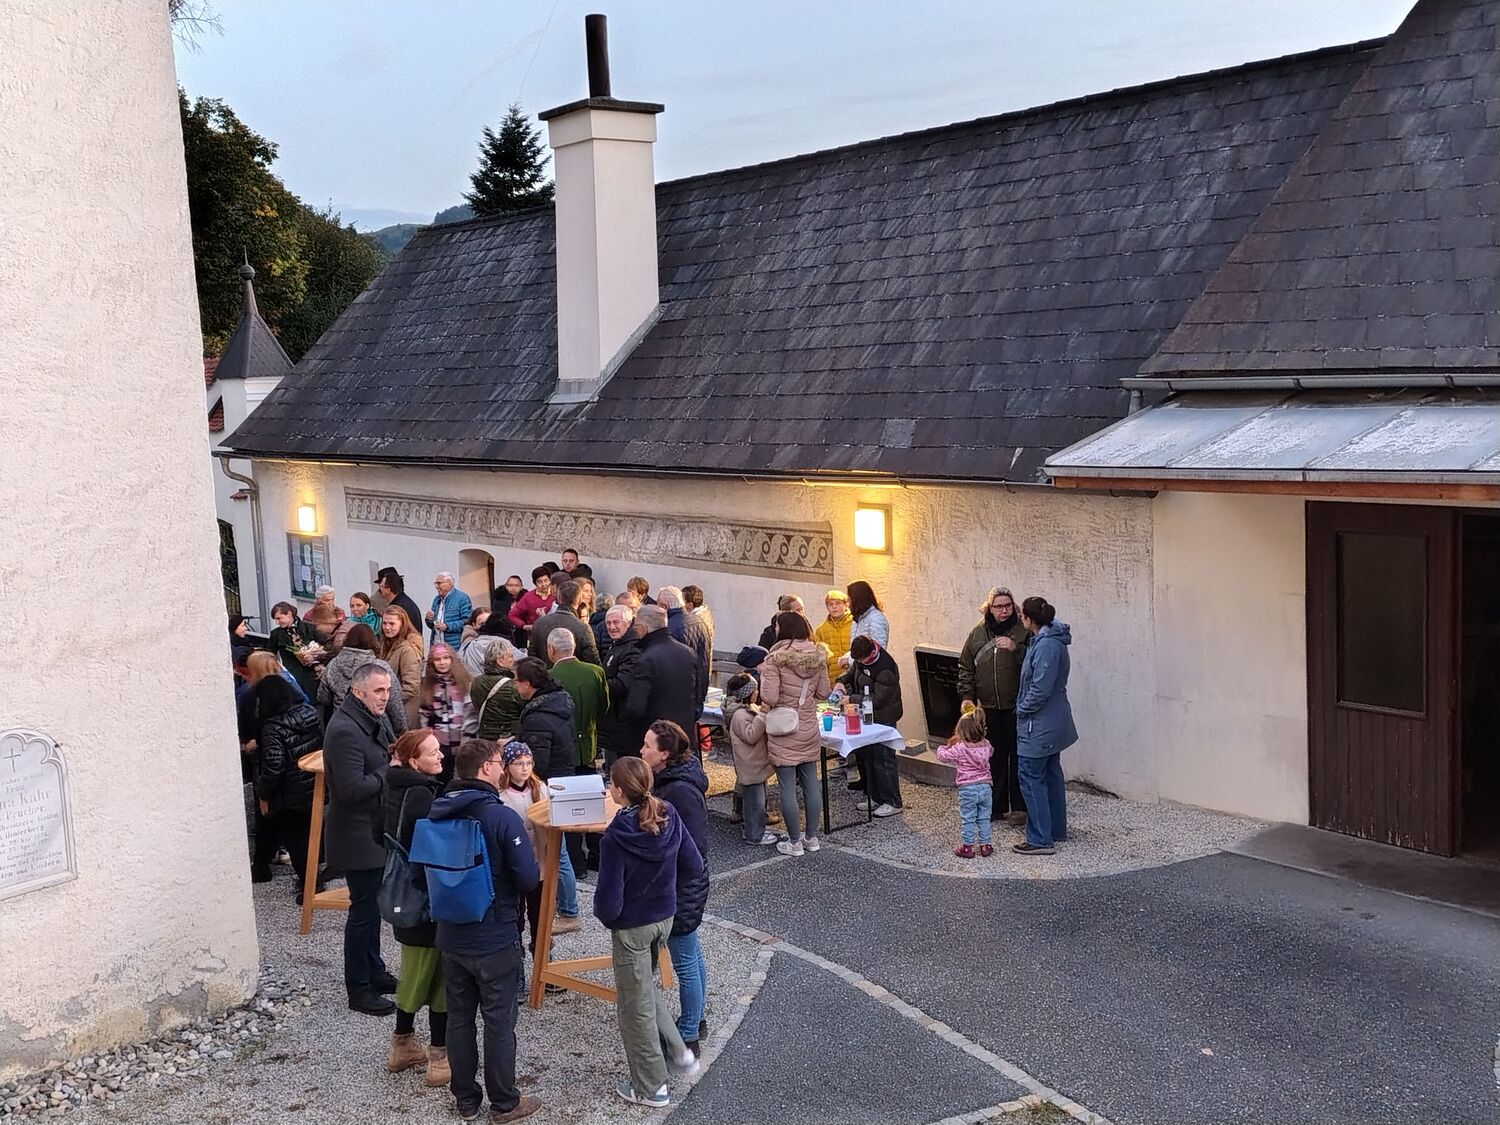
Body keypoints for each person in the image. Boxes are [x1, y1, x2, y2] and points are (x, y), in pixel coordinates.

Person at [426, 739, 543, 1122]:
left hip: (450, 934)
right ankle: (505, 1102)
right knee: (498, 1021)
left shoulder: (438, 811)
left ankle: (465, 1099)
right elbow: (528, 878)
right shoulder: (500, 817)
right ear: (485, 768)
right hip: (494, 936)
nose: (502, 767)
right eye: (497, 761)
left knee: (459, 1018)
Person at [593, 757, 702, 1108]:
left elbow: (608, 900)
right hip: (664, 919)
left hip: (633, 927)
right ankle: (679, 1050)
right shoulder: (668, 814)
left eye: (610, 783)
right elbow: (693, 865)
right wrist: (664, 894)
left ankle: (650, 1086)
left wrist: (611, 918)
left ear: (619, 791)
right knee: (644, 989)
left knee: (634, 1007)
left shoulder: (615, 838)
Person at [323, 663, 397, 1016]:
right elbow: (351, 789)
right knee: (362, 913)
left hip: (372, 829)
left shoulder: (369, 719)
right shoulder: (344, 730)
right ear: (358, 691)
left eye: (388, 690)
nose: (385, 697)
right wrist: (388, 771)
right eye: (379, 691)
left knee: (371, 907)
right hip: (356, 834)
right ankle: (359, 987)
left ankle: (375, 971)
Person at [382, 730, 450, 1086]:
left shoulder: (393, 786)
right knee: (437, 977)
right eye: (432, 752)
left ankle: (403, 1044)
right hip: (425, 894)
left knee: (413, 971)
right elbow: (433, 847)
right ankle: (439, 1057)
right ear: (414, 761)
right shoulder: (422, 795)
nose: (441, 756)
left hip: (403, 894)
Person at [641, 721, 711, 1057]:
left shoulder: (679, 791)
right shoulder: (672, 781)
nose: (642, 750)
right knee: (691, 953)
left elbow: (691, 846)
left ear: (665, 754)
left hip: (681, 886)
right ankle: (696, 1020)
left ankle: (688, 1035)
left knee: (684, 960)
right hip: (684, 883)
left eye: (648, 746)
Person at [514, 657, 582, 934]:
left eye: (517, 680)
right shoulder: (559, 701)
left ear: (528, 684)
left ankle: (569, 912)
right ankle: (565, 908)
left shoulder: (537, 716)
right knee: (558, 849)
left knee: (557, 851)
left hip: (549, 786)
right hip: (563, 779)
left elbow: (536, 762)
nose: (515, 686)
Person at [761, 611, 832, 857]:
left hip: (785, 727)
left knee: (787, 786)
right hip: (808, 725)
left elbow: (769, 697)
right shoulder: (818, 655)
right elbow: (824, 692)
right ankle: (812, 838)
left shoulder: (775, 659)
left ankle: (794, 842)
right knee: (811, 782)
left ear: (784, 630)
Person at [957, 586, 1030, 825]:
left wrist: (1015, 648)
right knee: (993, 758)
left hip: (1016, 706)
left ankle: (1019, 807)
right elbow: (966, 666)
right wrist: (967, 696)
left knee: (1019, 757)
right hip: (988, 706)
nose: (1004, 611)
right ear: (990, 608)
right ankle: (996, 807)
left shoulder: (1023, 630)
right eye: (998, 606)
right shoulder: (977, 633)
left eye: (1008, 605)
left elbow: (1034, 663)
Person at [1014, 597, 1077, 856]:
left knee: (1030, 776)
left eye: (1022, 615)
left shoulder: (1047, 646)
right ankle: (1055, 829)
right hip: (1052, 721)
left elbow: (1040, 688)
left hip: (1039, 724)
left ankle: (1040, 838)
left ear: (1029, 620)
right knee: (1050, 774)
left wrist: (1021, 709)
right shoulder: (1050, 640)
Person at [249, 674, 319, 893]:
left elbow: (274, 766)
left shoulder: (272, 727)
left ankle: (310, 887)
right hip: (311, 783)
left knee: (294, 840)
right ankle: (309, 879)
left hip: (287, 792)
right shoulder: (309, 713)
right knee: (307, 835)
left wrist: (263, 793)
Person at [830, 635, 905, 816]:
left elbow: (879, 699)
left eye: (862, 659)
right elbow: (852, 672)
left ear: (871, 653)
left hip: (883, 717)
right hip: (866, 715)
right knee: (868, 757)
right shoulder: (861, 659)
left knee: (883, 759)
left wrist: (852, 699)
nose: (860, 662)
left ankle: (892, 801)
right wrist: (840, 682)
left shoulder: (885, 668)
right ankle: (875, 796)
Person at [494, 740, 545, 962]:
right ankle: (516, 955)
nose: (525, 768)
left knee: (539, 912)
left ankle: (541, 953)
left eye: (528, 763)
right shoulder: (501, 795)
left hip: (539, 860)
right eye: (518, 764)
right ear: (507, 766)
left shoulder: (540, 789)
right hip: (514, 862)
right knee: (516, 912)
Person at [624, 605, 702, 741]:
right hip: (684, 732)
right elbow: (699, 693)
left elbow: (636, 707)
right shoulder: (689, 653)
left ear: (643, 628)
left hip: (656, 736)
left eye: (636, 628)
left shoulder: (646, 659)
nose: (635, 632)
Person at [318, 623, 409, 737]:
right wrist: (403, 732)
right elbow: (395, 705)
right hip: (376, 729)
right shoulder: (380, 668)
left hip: (342, 725)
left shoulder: (333, 665)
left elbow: (323, 697)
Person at [722, 674, 776, 845]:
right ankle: (754, 835)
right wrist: (762, 715)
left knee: (757, 800)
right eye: (755, 690)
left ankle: (757, 829)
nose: (757, 692)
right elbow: (751, 735)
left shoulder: (741, 710)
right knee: (754, 803)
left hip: (753, 762)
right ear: (747, 693)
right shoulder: (739, 715)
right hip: (750, 764)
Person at [934, 709, 995, 858]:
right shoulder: (986, 745)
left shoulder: (960, 748)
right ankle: (985, 845)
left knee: (968, 818)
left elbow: (943, 757)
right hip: (985, 786)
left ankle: (968, 847)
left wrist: (944, 746)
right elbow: (991, 752)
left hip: (968, 788)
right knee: (984, 817)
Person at [598, 605, 645, 769]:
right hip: (614, 722)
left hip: (623, 723)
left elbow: (623, 684)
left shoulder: (632, 648)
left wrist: (597, 683)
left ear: (628, 623)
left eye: (616, 622)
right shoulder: (618, 644)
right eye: (608, 623)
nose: (612, 627)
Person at [420, 642, 472, 781]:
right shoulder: (429, 685)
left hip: (462, 741)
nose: (442, 662)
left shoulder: (464, 683)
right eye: (437, 659)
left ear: (452, 659)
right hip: (439, 744)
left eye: (446, 658)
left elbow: (470, 715)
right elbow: (425, 716)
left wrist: (467, 741)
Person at [659, 586, 711, 717]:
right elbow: (704, 662)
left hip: (675, 699)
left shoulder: (669, 628)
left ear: (664, 606)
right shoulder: (700, 622)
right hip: (695, 694)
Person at [527, 579, 601, 666]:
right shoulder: (583, 628)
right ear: (580, 600)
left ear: (558, 598)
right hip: (574, 673)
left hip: (545, 673)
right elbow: (594, 662)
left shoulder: (540, 623)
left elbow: (532, 657)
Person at [377, 606, 425, 729]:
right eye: (385, 623)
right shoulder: (386, 644)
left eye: (392, 624)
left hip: (404, 711)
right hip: (391, 708)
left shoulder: (407, 650)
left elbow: (411, 688)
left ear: (402, 625)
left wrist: (387, 699)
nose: (387, 627)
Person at [267, 601, 321, 701]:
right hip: (292, 676)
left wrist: (315, 656)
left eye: (279, 618)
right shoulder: (276, 634)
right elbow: (269, 654)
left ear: (289, 614)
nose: (277, 622)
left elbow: (326, 646)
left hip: (313, 674)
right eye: (275, 619)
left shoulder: (309, 628)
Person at [470, 643, 523, 742]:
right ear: (500, 661)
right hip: (508, 737)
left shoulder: (476, 682)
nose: (514, 659)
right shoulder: (512, 686)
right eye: (510, 656)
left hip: (485, 736)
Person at [844, 580, 889, 666]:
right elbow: (857, 650)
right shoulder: (858, 619)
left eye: (849, 600)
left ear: (857, 600)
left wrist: (849, 660)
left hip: (872, 672)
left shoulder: (876, 619)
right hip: (861, 670)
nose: (848, 604)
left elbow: (877, 653)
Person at [425, 572, 472, 651]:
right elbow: (433, 626)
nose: (437, 587)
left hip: (454, 647)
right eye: (436, 584)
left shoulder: (462, 598)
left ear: (449, 584)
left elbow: (467, 621)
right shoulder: (436, 599)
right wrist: (429, 620)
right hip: (437, 646)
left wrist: (448, 626)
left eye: (439, 583)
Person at [813, 590, 852, 681]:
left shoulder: (855, 623)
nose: (834, 607)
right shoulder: (821, 630)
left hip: (854, 675)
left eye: (838, 603)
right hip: (833, 679)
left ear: (846, 604)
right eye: (830, 604)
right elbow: (820, 660)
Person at [507, 566, 556, 638]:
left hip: (554, 634)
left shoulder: (555, 595)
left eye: (546, 581)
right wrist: (524, 626)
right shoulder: (528, 597)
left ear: (550, 581)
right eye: (539, 582)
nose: (543, 584)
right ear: (535, 583)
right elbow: (512, 615)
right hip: (535, 636)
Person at [377, 569, 425, 636]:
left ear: (388, 590)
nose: (379, 590)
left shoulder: (398, 607)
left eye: (381, 586)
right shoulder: (403, 602)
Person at [489, 575, 526, 641]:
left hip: (522, 631)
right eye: (510, 585)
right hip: (504, 632)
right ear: (506, 586)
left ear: (521, 587)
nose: (513, 588)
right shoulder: (499, 599)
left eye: (516, 585)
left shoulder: (526, 599)